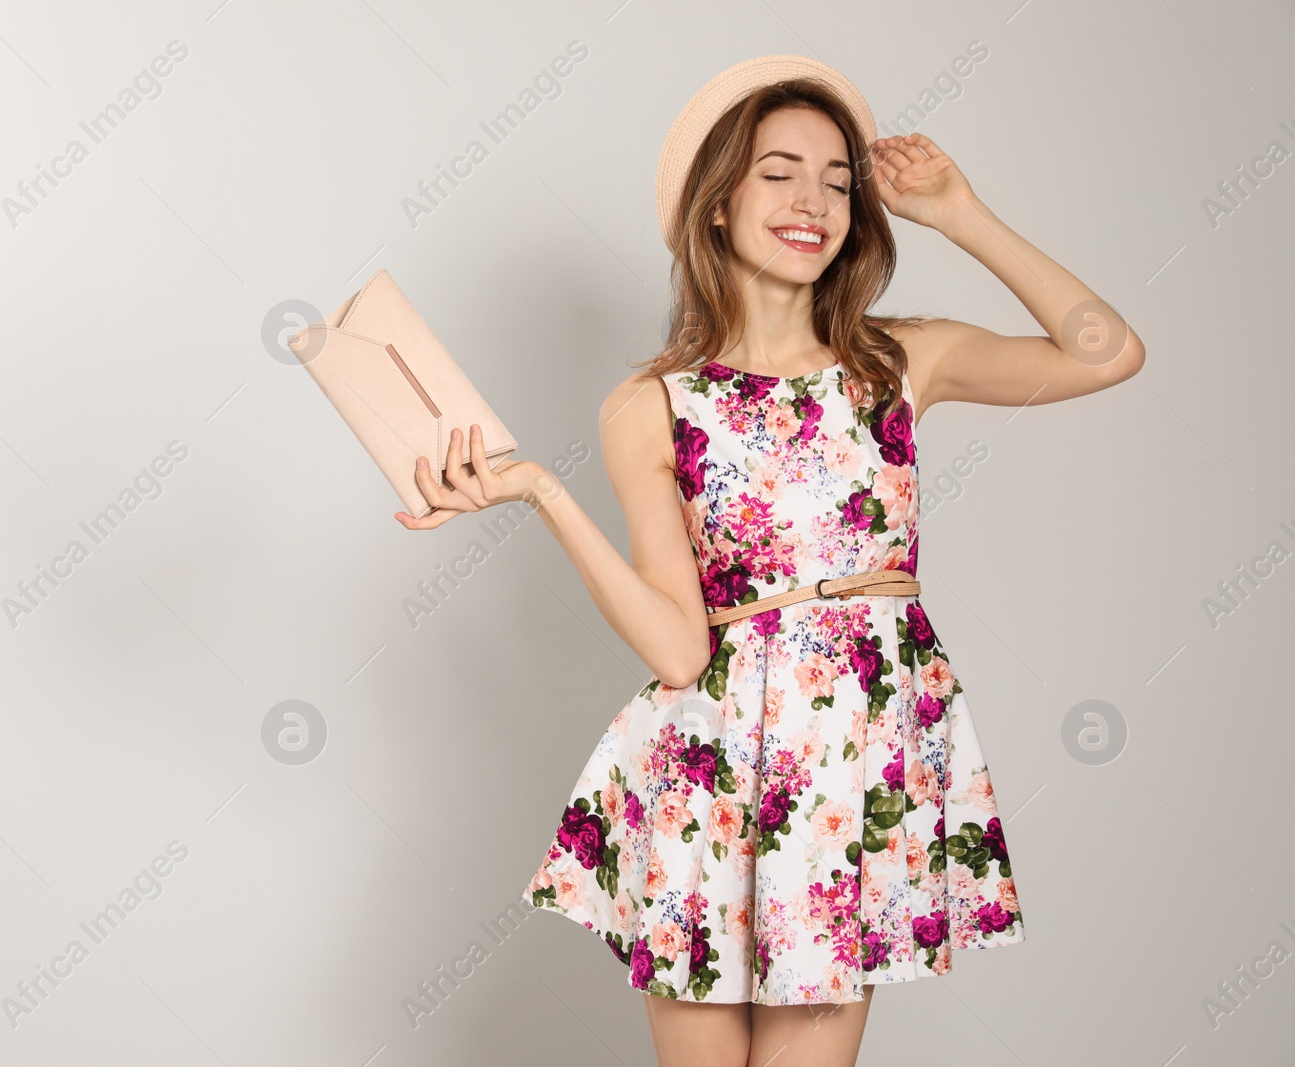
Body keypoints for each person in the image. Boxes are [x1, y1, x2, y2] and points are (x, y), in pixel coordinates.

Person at [394, 55, 1143, 1067]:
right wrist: (542, 492)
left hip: (853, 757)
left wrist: (961, 212)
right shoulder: (654, 404)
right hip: (709, 767)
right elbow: (674, 647)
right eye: (779, 172)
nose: (813, 202)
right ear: (718, 203)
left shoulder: (900, 361)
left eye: (837, 180)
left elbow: (1105, 350)